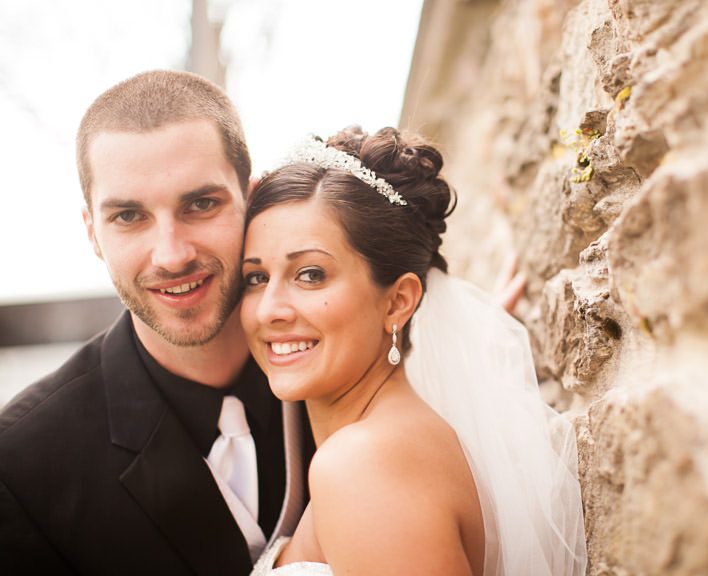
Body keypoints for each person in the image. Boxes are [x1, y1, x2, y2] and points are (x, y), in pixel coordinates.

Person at [0, 70, 312, 575]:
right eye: (128, 216)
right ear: (93, 233)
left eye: (201, 204)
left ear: (251, 200)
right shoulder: (20, 464)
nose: (171, 255)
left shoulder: (354, 368)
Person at [241, 127, 587, 575]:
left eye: (310, 275)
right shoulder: (402, 440)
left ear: (399, 301)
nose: (269, 310)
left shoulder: (363, 466)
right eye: (255, 277)